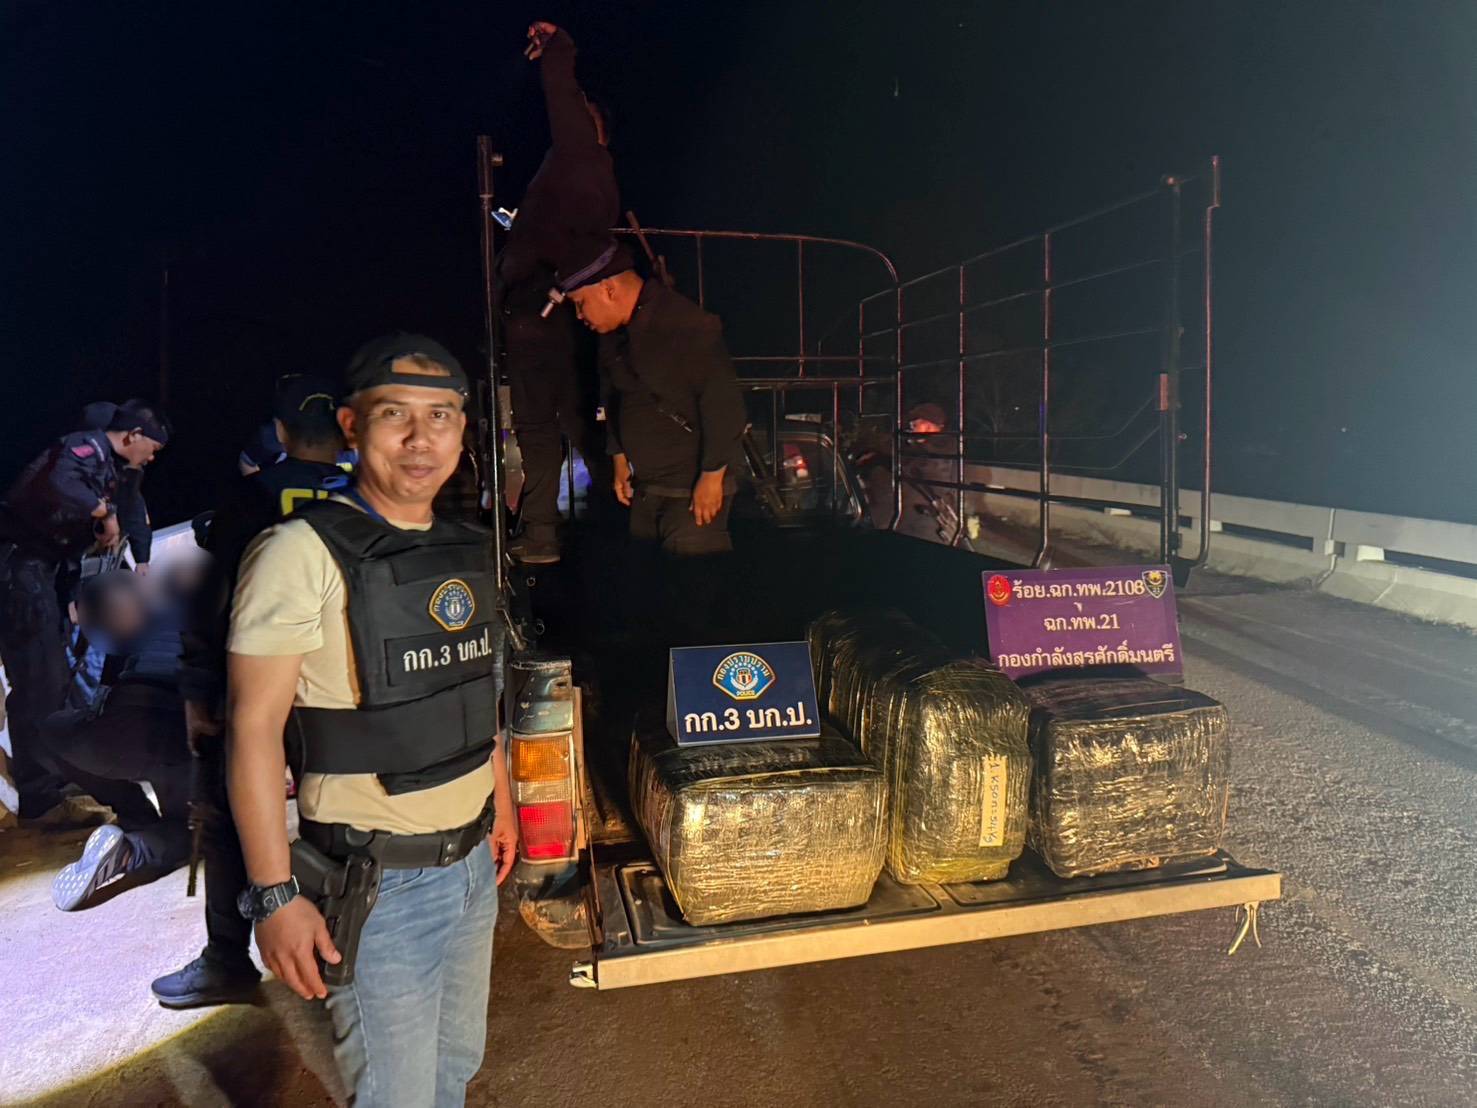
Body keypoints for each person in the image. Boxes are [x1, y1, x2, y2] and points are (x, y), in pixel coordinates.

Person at [227, 334, 516, 1106]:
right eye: (396, 415)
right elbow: (253, 731)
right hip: (380, 885)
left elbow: (471, 690)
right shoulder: (297, 553)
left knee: (454, 1071)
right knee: (396, 1096)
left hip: (470, 867)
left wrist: (502, 804)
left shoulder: (465, 547)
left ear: (462, 430)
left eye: (440, 416)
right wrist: (273, 895)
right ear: (352, 426)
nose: (421, 439)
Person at [151, 372, 348, 1009]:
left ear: (282, 433)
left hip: (255, 684)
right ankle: (344, 948)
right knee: (341, 818)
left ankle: (228, 959)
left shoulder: (248, 501)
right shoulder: (365, 497)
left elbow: (209, 607)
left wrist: (197, 693)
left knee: (229, 815)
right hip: (342, 694)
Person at [0, 399, 168, 820]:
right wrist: (102, 511)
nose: (153, 457)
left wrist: (141, 560)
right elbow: (59, 484)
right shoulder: (83, 448)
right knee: (42, 683)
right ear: (132, 436)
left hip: (44, 574)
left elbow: (132, 510)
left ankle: (51, 780)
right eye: (152, 447)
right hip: (18, 569)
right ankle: (41, 796)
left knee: (51, 680)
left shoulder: (118, 469)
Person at [500, 20, 620, 565]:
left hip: (549, 310)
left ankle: (578, 528)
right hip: (539, 311)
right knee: (552, 424)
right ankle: (551, 532)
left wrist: (557, 50)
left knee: (559, 422)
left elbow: (563, 99)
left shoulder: (582, 156)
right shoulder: (578, 175)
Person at [563, 242, 746, 557]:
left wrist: (712, 475)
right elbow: (613, 394)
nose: (579, 315)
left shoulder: (683, 324)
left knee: (690, 580)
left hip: (691, 495)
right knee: (649, 581)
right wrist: (619, 456)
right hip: (648, 489)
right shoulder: (613, 336)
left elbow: (724, 402)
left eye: (581, 303)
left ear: (608, 290)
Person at [47, 568, 194, 910]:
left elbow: (102, 695)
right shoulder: (192, 610)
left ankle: (134, 814)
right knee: (192, 832)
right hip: (186, 737)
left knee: (53, 729)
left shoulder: (123, 632)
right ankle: (131, 850)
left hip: (124, 726)